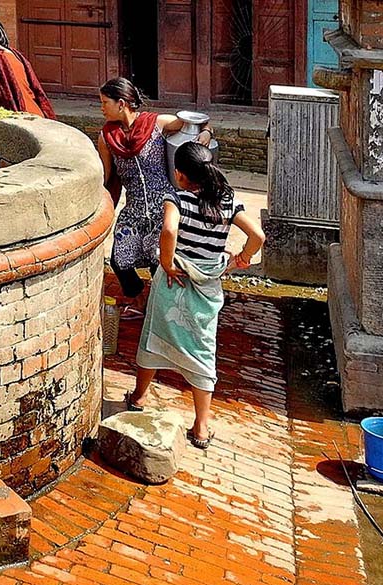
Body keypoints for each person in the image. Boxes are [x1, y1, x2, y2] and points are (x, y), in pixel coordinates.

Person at [127, 142, 265, 448]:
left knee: (154, 337)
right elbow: (258, 236)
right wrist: (243, 258)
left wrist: (166, 263)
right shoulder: (228, 201)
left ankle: (138, 396)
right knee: (203, 351)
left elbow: (169, 232)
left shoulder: (175, 197)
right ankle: (202, 426)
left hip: (174, 281)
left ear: (179, 174)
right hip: (207, 287)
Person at [97, 77, 212, 319]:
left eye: (105, 102)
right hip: (134, 207)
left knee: (159, 262)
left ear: (122, 103)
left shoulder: (156, 123)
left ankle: (167, 312)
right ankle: (141, 301)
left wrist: (207, 134)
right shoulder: (106, 137)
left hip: (165, 205)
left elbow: (198, 122)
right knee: (120, 260)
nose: (102, 108)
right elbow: (106, 177)